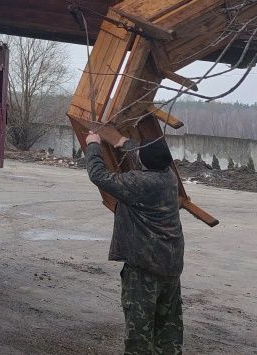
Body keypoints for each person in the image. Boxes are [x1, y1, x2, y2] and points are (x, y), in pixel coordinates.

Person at [86, 130, 184, 355]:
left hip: (145, 269)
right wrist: (124, 143)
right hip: (170, 266)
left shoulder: (140, 183)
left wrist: (93, 146)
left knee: (139, 335)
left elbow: (99, 176)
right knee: (168, 332)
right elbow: (146, 156)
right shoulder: (169, 177)